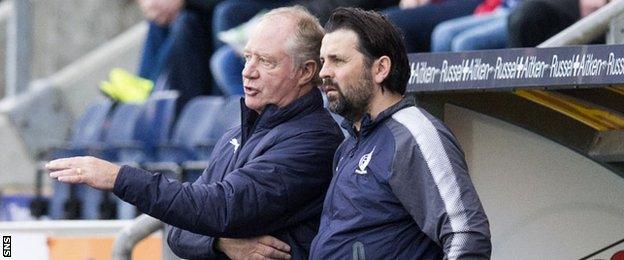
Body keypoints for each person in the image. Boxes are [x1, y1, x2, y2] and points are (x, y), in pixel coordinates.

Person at [47, 6, 343, 260]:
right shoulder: (235, 135)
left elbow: (219, 207)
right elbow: (177, 228)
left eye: (266, 62)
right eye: (247, 57)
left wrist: (119, 178)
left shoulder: (313, 141)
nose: (248, 71)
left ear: (306, 72)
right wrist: (220, 243)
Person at [310, 7, 491, 259]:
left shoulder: (414, 134)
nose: (323, 73)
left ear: (380, 69)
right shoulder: (348, 145)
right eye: (323, 62)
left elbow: (467, 235)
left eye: (337, 60)